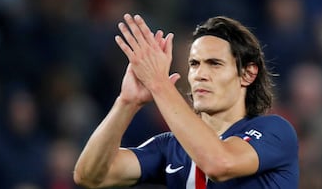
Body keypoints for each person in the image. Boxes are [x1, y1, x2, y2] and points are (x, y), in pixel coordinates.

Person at [73, 14, 299, 189]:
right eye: (194, 64)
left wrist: (159, 84)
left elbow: (219, 163)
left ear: (248, 74)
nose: (200, 74)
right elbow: (90, 176)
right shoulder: (171, 147)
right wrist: (126, 102)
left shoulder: (275, 131)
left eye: (214, 64)